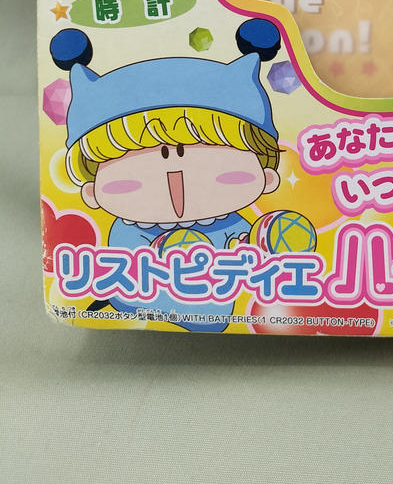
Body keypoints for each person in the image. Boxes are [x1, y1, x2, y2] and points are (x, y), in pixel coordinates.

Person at [53, 19, 284, 332]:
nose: (175, 165)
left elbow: (256, 257)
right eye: (133, 155)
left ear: (267, 177)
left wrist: (260, 246)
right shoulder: (130, 234)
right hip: (141, 307)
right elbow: (194, 308)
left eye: (205, 148)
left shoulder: (230, 222)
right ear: (92, 191)